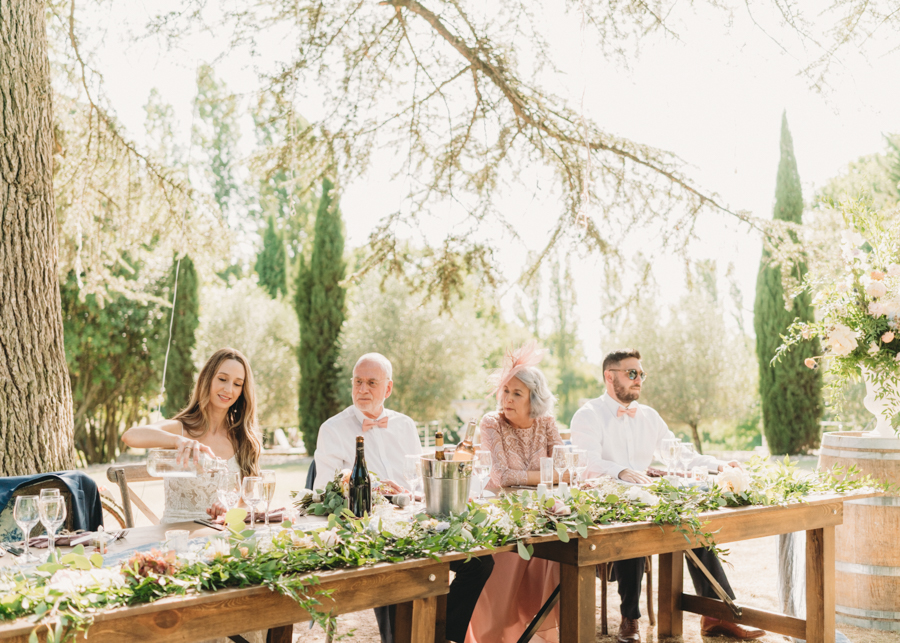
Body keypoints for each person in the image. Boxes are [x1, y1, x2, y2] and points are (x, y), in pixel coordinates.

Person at [570, 348, 765, 643]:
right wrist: (621, 471)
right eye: (632, 373)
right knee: (632, 520)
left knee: (694, 523)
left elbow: (679, 455)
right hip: (607, 507)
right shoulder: (588, 415)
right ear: (610, 376)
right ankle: (630, 619)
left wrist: (719, 465)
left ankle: (717, 615)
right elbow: (586, 462)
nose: (639, 379)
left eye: (641, 374)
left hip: (649, 500)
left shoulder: (649, 416)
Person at [314, 353, 494, 643]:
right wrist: (373, 489)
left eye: (372, 383)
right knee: (398, 571)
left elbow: (419, 478)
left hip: (415, 521)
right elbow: (323, 491)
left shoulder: (405, 424)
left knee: (480, 562)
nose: (362, 389)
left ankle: (440, 633)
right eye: (358, 382)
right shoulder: (332, 429)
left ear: (388, 388)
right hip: (367, 528)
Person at [122, 347, 264, 643]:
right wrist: (178, 441)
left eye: (237, 383)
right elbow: (131, 436)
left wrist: (229, 511)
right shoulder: (181, 427)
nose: (228, 389)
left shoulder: (243, 438)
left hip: (219, 541)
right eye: (222, 379)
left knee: (254, 589)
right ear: (207, 379)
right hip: (175, 541)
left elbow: (246, 502)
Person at [465, 342, 564, 643]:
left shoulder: (547, 423)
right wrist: (546, 476)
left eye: (517, 393)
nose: (507, 398)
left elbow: (565, 470)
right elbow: (501, 476)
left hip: (541, 513)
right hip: (501, 515)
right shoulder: (491, 422)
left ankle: (542, 629)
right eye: (505, 391)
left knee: (561, 551)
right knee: (507, 561)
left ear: (534, 398)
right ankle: (498, 634)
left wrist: (543, 477)